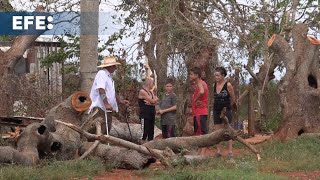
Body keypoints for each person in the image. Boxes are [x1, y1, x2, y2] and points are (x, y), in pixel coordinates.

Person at [89, 56, 129, 135]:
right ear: (110, 66)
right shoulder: (102, 74)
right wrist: (106, 103)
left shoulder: (109, 76)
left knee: (107, 129)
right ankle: (98, 145)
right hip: (101, 108)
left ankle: (103, 145)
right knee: (101, 130)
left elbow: (112, 91)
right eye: (114, 66)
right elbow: (101, 89)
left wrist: (119, 101)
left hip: (107, 108)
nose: (115, 68)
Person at [213, 66, 236, 159]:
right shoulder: (214, 85)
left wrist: (228, 107)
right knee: (217, 130)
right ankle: (218, 151)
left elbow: (233, 98)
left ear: (223, 75)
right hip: (216, 110)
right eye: (215, 75)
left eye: (218, 75)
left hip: (226, 110)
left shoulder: (228, 85)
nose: (216, 77)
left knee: (228, 130)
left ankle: (230, 152)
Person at [138, 77, 158, 144]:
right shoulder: (142, 91)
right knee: (144, 132)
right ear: (149, 83)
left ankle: (150, 147)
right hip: (145, 115)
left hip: (152, 114)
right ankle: (142, 147)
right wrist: (152, 102)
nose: (153, 85)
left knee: (151, 132)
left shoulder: (151, 92)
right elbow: (152, 101)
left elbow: (155, 101)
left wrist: (152, 102)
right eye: (153, 83)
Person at [189, 66, 209, 136]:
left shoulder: (200, 83)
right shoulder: (200, 83)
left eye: (191, 74)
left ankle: (204, 147)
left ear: (196, 75)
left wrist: (195, 100)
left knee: (200, 132)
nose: (190, 76)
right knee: (200, 131)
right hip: (199, 112)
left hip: (200, 112)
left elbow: (201, 92)